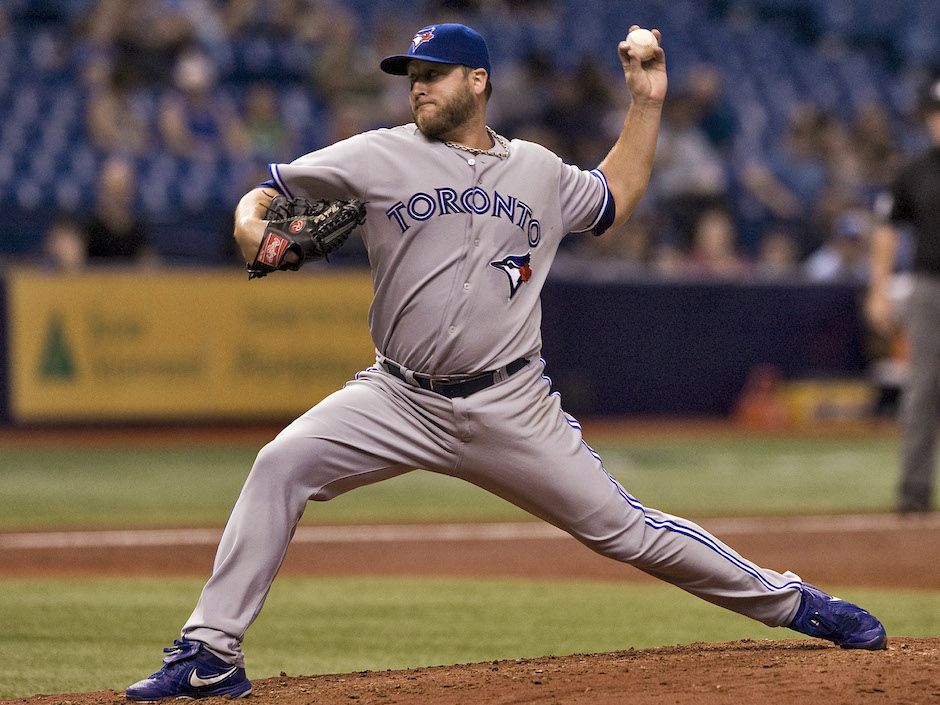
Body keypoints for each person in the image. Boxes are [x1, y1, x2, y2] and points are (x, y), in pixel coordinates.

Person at [126, 22, 887, 702]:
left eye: (433, 73)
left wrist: (646, 103)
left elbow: (616, 193)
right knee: (280, 462)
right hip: (397, 396)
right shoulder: (377, 153)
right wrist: (249, 227)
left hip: (510, 404)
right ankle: (211, 652)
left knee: (627, 528)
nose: (418, 86)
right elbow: (268, 191)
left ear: (478, 82)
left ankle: (795, 603)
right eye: (411, 75)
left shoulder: (538, 171)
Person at [866, 76, 940, 514]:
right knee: (922, 390)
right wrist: (878, 289)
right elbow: (887, 230)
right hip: (929, 288)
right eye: (935, 115)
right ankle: (913, 497)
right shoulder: (914, 171)